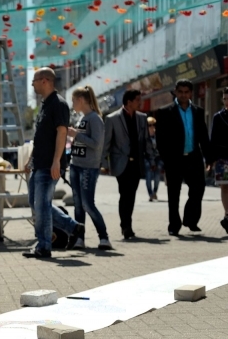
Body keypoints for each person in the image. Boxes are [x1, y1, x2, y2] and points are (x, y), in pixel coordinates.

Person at [23, 68, 84, 259]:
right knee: (36, 203)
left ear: (45, 81)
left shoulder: (59, 104)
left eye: (34, 81)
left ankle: (44, 246)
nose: (32, 84)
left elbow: (62, 132)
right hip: (39, 164)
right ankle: (73, 227)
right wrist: (30, 159)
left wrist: (57, 161)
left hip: (50, 164)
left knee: (41, 205)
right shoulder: (45, 104)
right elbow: (40, 136)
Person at [156, 79, 211, 235]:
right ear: (175, 91)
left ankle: (190, 220)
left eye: (186, 92)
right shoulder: (165, 111)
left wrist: (209, 158)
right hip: (174, 159)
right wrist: (165, 158)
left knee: (198, 189)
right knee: (173, 194)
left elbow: (203, 136)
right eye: (180, 92)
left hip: (194, 157)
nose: (183, 95)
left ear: (191, 93)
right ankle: (174, 225)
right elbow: (160, 139)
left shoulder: (198, 111)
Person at [103, 89, 153, 239]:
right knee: (125, 194)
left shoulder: (142, 118)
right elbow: (106, 143)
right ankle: (126, 226)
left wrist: (151, 157)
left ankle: (127, 224)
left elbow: (146, 140)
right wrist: (104, 163)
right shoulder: (112, 119)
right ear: (129, 102)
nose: (141, 102)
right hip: (121, 163)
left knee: (131, 195)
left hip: (136, 164)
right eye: (138, 99)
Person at [66, 86, 111, 250]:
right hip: (76, 166)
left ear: (81, 100)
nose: (72, 104)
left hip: (88, 168)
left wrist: (77, 135)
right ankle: (80, 238)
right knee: (78, 205)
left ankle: (104, 237)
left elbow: (96, 144)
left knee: (87, 204)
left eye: (73, 100)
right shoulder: (82, 118)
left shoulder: (94, 119)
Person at [210, 87, 228, 233]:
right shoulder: (218, 116)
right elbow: (213, 139)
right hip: (222, 158)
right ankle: (227, 214)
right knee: (225, 186)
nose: (227, 101)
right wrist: (212, 159)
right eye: (225, 98)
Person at [145, 117, 163, 202]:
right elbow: (147, 151)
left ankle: (155, 191)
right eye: (149, 125)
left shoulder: (158, 135)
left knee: (157, 175)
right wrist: (151, 162)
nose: (152, 127)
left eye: (153, 124)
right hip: (148, 158)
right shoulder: (145, 136)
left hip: (158, 158)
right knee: (148, 173)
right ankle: (150, 194)